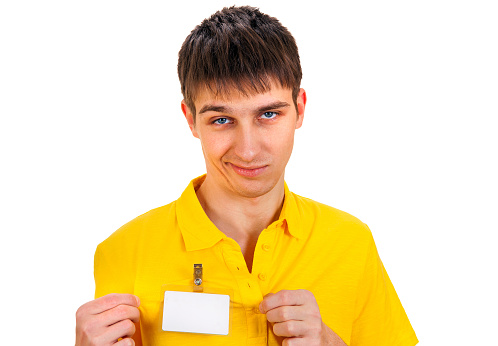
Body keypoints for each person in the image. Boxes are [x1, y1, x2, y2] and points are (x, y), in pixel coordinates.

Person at [75, 6, 418, 346]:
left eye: (268, 114)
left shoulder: (351, 244)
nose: (248, 150)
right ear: (190, 119)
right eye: (221, 120)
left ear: (300, 108)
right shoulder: (123, 253)